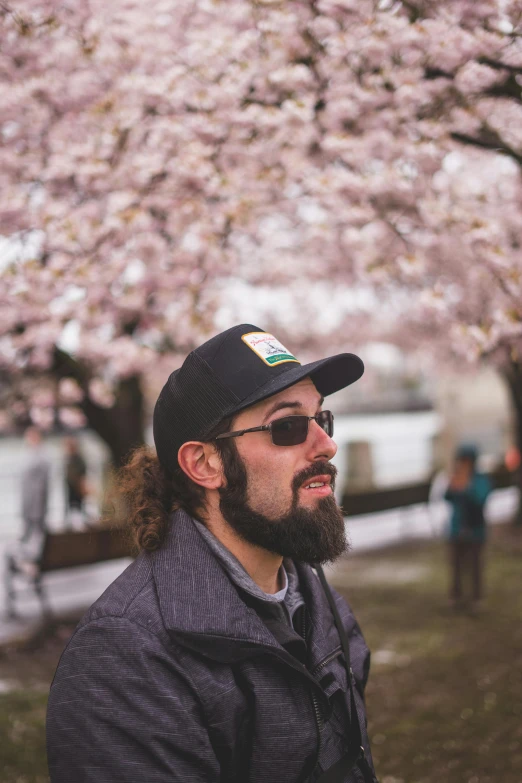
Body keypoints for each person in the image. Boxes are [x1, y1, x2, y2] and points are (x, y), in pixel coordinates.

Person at [46, 324, 378, 783]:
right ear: (205, 464)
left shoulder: (317, 601)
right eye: (287, 426)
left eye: (321, 419)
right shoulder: (126, 659)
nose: (326, 444)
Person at [444, 444, 491, 612]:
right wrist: (452, 486)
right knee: (456, 565)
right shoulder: (456, 476)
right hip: (457, 530)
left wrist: (467, 488)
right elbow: (447, 497)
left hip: (475, 530)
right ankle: (456, 596)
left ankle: (476, 598)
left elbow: (481, 500)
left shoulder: (480, 479)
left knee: (475, 566)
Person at [19, 426, 50, 558]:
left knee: (37, 529)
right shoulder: (29, 453)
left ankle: (36, 557)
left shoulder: (41, 455)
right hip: (29, 499)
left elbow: (42, 482)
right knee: (30, 528)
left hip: (36, 500)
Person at [63, 436, 88, 525]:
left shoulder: (78, 459)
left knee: (78, 506)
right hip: (71, 488)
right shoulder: (69, 459)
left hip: (77, 488)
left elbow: (81, 473)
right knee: (72, 507)